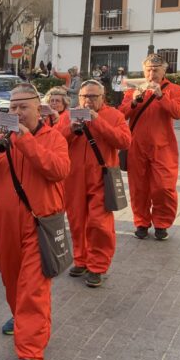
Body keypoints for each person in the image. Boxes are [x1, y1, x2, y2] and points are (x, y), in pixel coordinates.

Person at [0, 83, 70, 360]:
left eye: (23, 106)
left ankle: (31, 351)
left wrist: (25, 141)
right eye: (12, 107)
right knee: (12, 279)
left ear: (38, 108)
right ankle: (20, 317)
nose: (16, 112)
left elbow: (58, 170)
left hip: (39, 224)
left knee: (33, 290)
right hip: (2, 225)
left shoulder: (53, 138)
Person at [57, 80, 131, 287]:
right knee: (77, 220)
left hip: (101, 178)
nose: (88, 100)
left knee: (99, 223)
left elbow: (125, 142)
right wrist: (71, 130)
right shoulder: (68, 116)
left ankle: (97, 266)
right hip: (73, 179)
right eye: (84, 96)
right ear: (78, 98)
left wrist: (97, 121)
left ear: (102, 98)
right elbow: (54, 141)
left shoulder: (115, 116)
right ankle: (81, 259)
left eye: (93, 96)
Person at [119, 54, 180, 240]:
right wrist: (134, 101)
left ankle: (162, 223)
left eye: (156, 69)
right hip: (136, 146)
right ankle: (141, 222)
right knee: (138, 187)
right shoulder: (133, 89)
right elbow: (121, 113)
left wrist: (161, 96)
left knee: (164, 187)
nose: (151, 73)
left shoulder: (174, 89)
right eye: (148, 69)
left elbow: (178, 113)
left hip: (163, 147)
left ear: (164, 70)